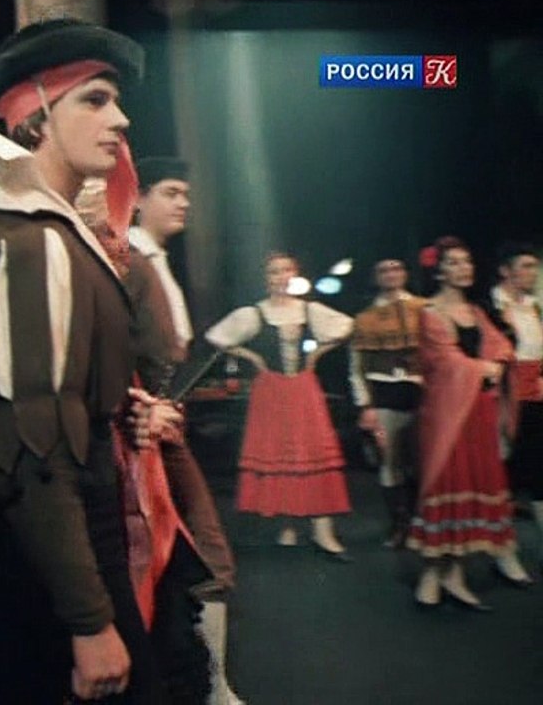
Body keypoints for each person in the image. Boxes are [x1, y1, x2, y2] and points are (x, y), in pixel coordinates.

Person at [0, 18, 169, 704]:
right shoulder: (30, 241)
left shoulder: (52, 232)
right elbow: (29, 455)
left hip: (62, 543)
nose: (120, 119)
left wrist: (111, 401)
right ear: (34, 114)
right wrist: (88, 620)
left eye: (116, 100)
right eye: (95, 99)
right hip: (47, 563)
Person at [128, 156, 242, 704]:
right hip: (144, 433)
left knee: (191, 558)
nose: (183, 203)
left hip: (167, 428)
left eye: (187, 194)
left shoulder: (155, 261)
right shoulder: (130, 260)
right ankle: (209, 688)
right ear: (138, 198)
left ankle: (206, 683)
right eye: (170, 192)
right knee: (205, 554)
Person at [407, 236, 531, 610]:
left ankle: (453, 574)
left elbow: (499, 346)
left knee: (473, 483)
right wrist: (484, 368)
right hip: (446, 416)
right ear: (439, 271)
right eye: (455, 262)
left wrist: (500, 360)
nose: (464, 268)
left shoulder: (476, 312)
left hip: (478, 412)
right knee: (446, 482)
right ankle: (434, 572)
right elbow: (444, 362)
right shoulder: (429, 313)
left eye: (468, 262)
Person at [205, 252, 354, 561]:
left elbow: (346, 327)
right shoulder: (255, 313)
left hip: (303, 389)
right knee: (280, 451)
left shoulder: (309, 310)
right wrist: (252, 357)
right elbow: (216, 337)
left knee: (312, 450)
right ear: (266, 278)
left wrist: (317, 354)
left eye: (286, 270)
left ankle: (323, 532)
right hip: (271, 390)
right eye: (274, 272)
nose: (281, 277)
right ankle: (288, 523)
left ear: (294, 275)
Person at [349, 259, 427, 548]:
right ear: (375, 277)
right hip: (384, 391)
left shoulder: (424, 308)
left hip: (421, 391)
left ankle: (420, 522)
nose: (392, 274)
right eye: (384, 270)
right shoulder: (365, 318)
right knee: (390, 460)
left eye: (397, 269)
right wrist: (365, 405)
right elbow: (356, 367)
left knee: (421, 459)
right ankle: (400, 523)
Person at [484, 241, 543, 576]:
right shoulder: (490, 307)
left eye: (535, 267)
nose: (532, 273)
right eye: (525, 266)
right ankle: (504, 555)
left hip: (535, 397)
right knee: (503, 475)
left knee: (539, 473)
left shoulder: (534, 307)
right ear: (505, 271)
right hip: (504, 399)